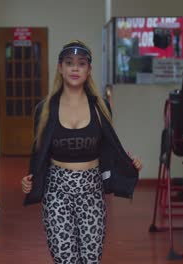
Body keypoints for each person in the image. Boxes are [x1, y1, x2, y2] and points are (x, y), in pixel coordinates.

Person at [21, 40, 143, 264]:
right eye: (69, 63)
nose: (75, 69)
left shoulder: (101, 106)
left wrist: (128, 164)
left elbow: (110, 147)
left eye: (81, 63)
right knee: (65, 258)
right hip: (57, 190)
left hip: (91, 190)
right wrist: (28, 180)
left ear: (89, 70)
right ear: (60, 67)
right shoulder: (44, 108)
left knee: (90, 259)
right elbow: (38, 152)